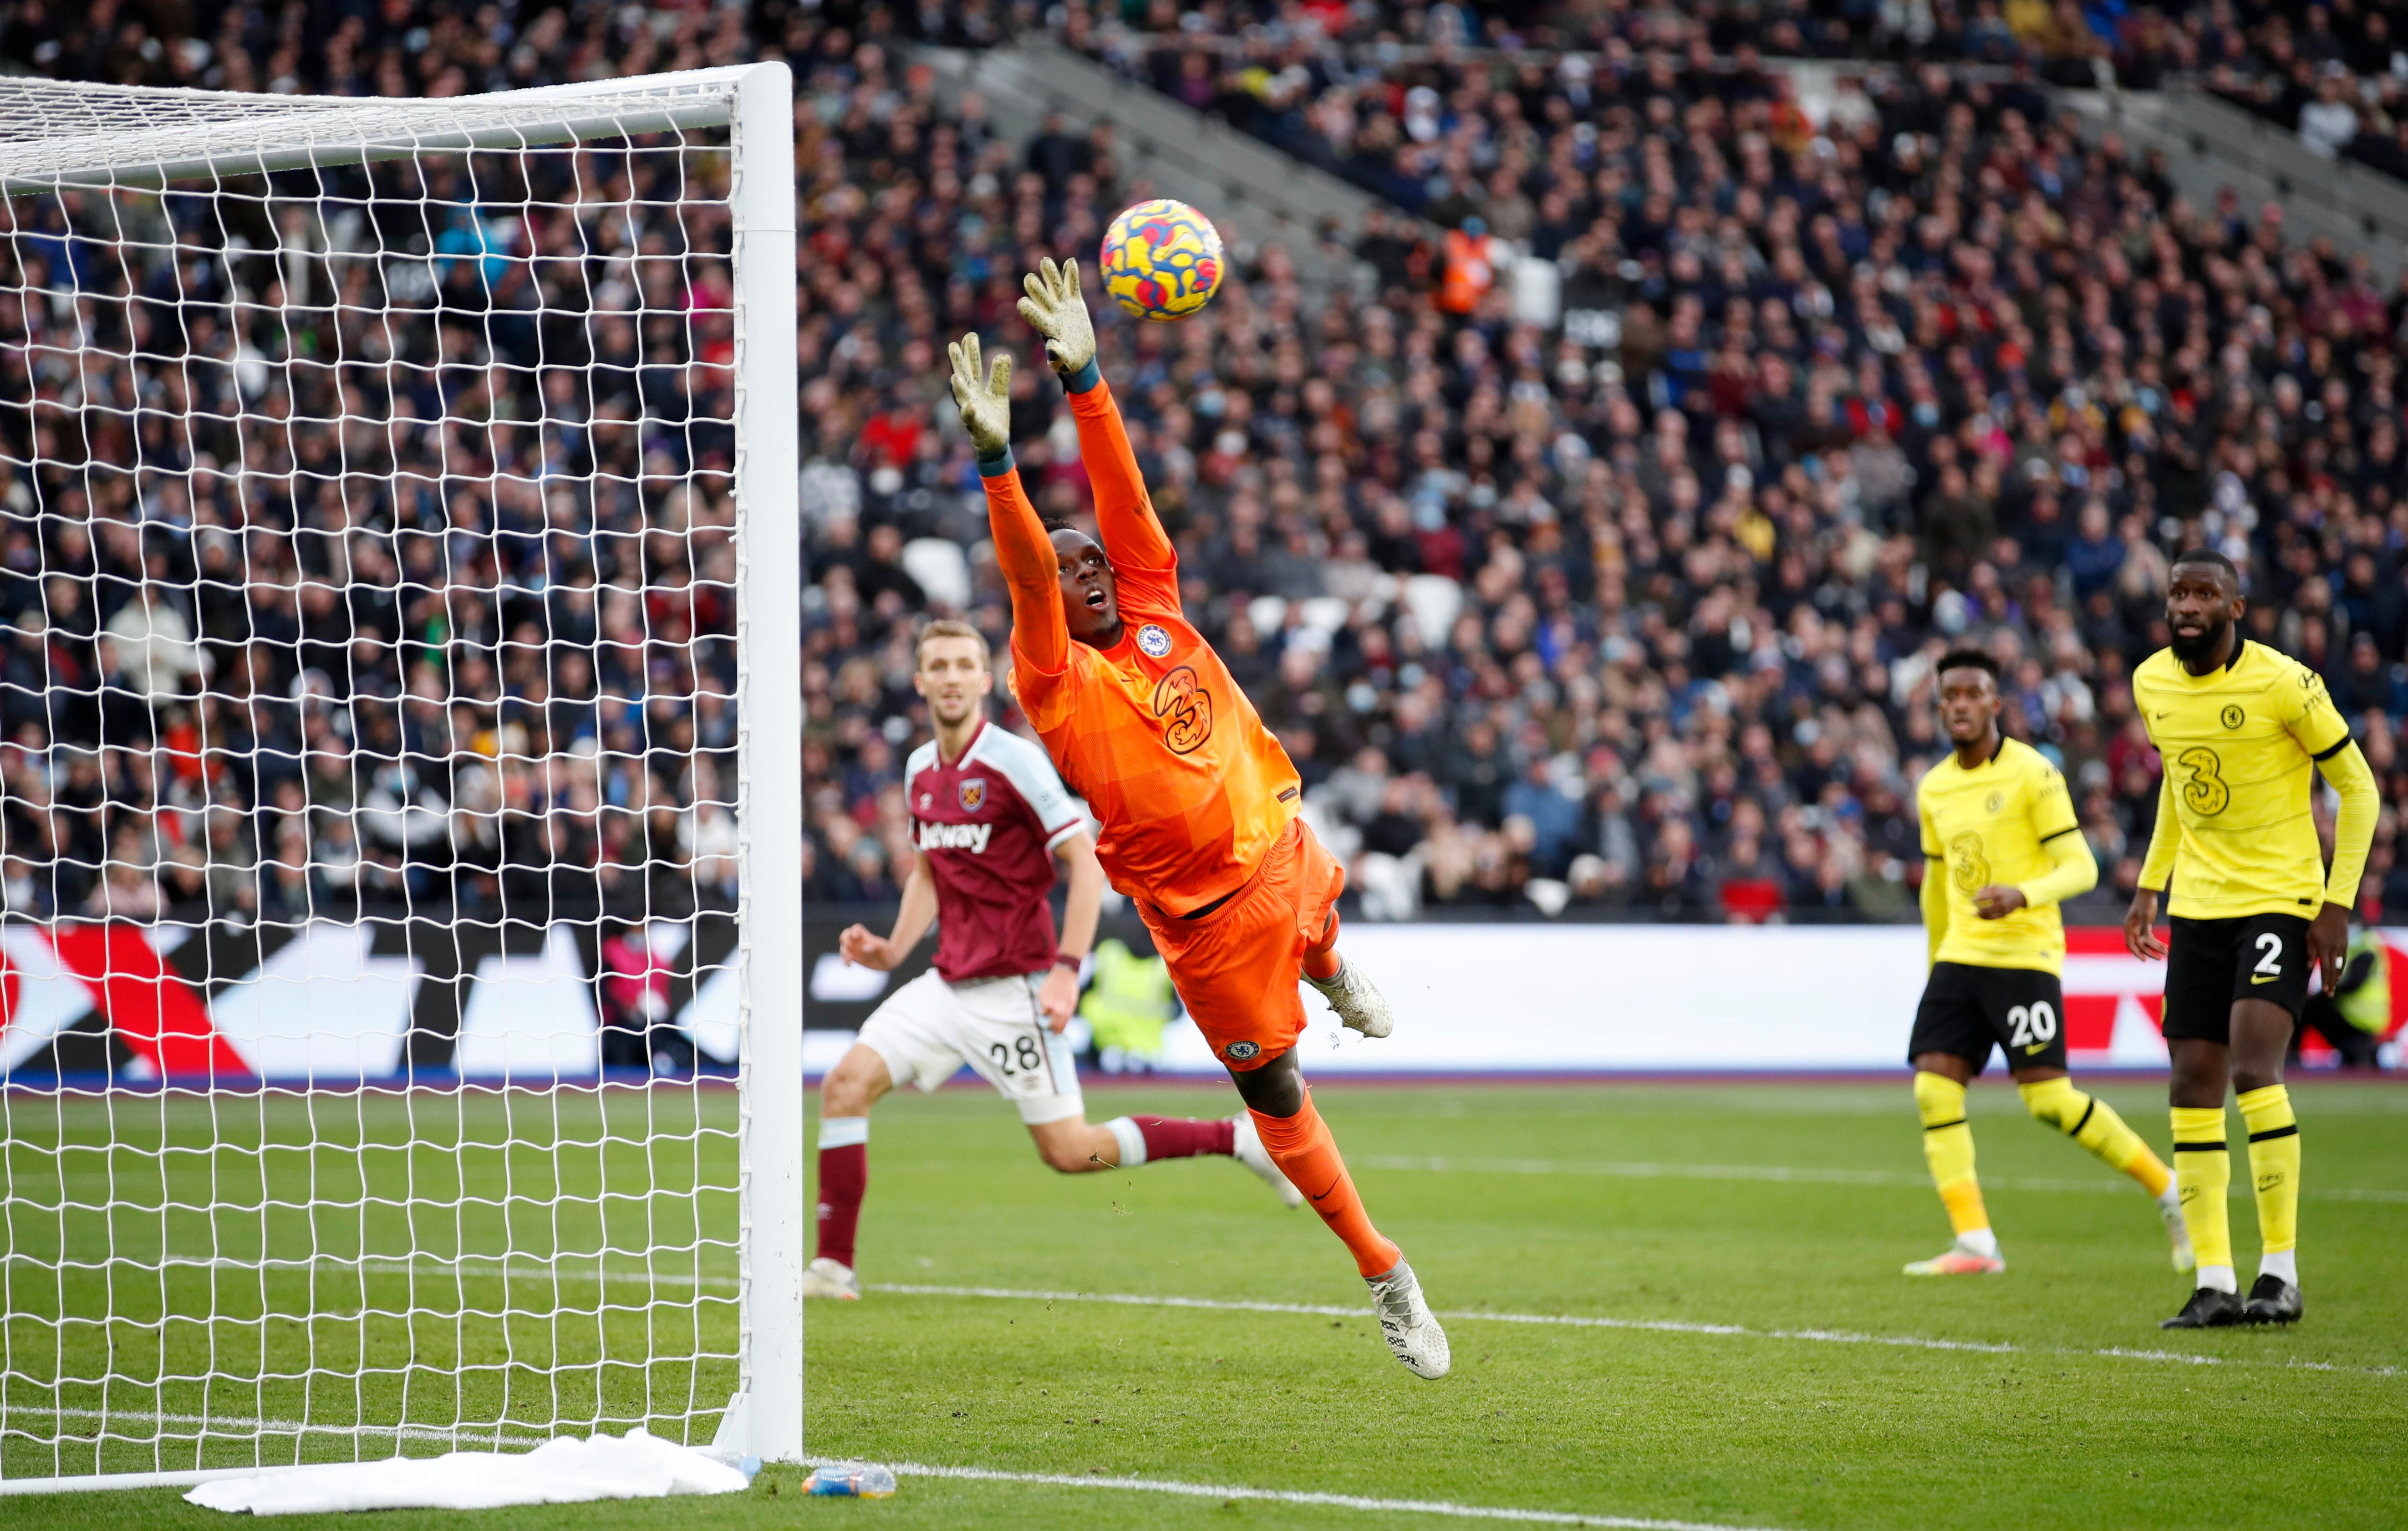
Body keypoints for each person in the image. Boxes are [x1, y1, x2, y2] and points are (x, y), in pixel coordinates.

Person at [946, 258, 1449, 1379]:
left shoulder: (1158, 603)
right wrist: (997, 461)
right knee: (1275, 1093)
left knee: (1317, 928)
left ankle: (1329, 964)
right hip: (1204, 923)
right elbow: (1029, 571)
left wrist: (1084, 375)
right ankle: (1385, 1271)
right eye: (1076, 569)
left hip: (1279, 848)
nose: (1094, 569)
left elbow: (1123, 499)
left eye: (1096, 561)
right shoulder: (1054, 685)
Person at [803, 620, 1303, 1303]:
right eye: (937, 666)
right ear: (919, 681)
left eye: (963, 665)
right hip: (947, 983)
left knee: (1071, 1150)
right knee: (843, 1085)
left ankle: (1236, 1138)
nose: (950, 677)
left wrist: (1067, 969)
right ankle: (833, 1267)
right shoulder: (920, 769)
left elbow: (1083, 865)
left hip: (1018, 990)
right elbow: (927, 872)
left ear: (984, 680)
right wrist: (891, 949)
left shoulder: (1014, 761)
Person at [2125, 549, 2381, 1329]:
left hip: (2279, 898)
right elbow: (2177, 785)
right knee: (2189, 1082)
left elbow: (2359, 788)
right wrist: (2149, 881)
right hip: (2198, 904)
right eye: (2178, 591)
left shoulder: (2283, 682)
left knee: (2249, 1066)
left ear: (2236, 608)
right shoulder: (2150, 682)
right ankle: (2213, 1281)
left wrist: (2334, 904)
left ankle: (2280, 1272)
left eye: (2205, 592)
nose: (2187, 604)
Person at [1904, 649, 2191, 1276]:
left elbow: (2081, 867)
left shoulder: (2033, 774)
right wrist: (1934, 958)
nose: (1959, 704)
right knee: (1932, 1085)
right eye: (1948, 695)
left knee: (2050, 1101)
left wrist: (2020, 894)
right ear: (1938, 706)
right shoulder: (1933, 786)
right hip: (1959, 956)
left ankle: (2169, 1189)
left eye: (1971, 693)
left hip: (2023, 955)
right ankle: (1975, 1242)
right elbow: (1934, 885)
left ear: (1994, 703)